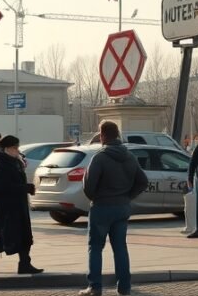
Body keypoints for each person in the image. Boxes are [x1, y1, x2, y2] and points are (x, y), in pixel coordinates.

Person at [78, 120, 148, 296]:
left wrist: (96, 197)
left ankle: (95, 287)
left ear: (102, 136)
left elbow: (88, 186)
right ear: (117, 135)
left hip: (102, 207)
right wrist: (128, 196)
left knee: (95, 247)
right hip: (122, 207)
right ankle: (124, 287)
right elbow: (143, 181)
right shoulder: (130, 157)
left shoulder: (100, 157)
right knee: (120, 247)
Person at [0, 135, 42, 275]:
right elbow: (3, 187)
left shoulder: (15, 162)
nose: (17, 150)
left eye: (17, 147)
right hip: (7, 207)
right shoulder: (0, 164)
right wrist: (25, 188)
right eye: (14, 147)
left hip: (19, 205)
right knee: (9, 238)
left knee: (25, 237)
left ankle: (25, 264)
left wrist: (27, 187)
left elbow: (16, 182)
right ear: (6, 148)